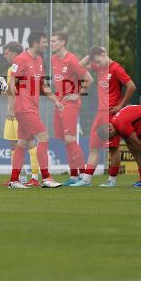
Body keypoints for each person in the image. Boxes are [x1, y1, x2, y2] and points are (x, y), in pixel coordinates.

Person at [7, 31, 63, 189]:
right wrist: (11, 107)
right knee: (44, 137)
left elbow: (42, 85)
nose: (46, 45)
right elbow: (12, 83)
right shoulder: (21, 59)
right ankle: (46, 178)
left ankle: (14, 180)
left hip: (32, 108)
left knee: (22, 143)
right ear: (35, 43)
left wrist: (55, 100)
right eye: (44, 42)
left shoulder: (39, 60)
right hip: (24, 108)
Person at [80, 46, 131, 187]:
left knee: (113, 148)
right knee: (93, 147)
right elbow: (80, 65)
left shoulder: (116, 68)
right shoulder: (100, 67)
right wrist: (90, 54)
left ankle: (112, 180)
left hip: (111, 114)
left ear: (104, 54)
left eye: (98, 60)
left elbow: (131, 86)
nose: (97, 63)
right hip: (99, 113)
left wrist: (121, 105)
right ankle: (86, 180)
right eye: (94, 61)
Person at [48, 33, 94, 186]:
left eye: (53, 41)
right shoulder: (53, 59)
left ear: (62, 43)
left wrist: (77, 95)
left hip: (70, 104)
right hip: (59, 103)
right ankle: (74, 176)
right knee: (66, 142)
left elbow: (89, 78)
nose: (51, 43)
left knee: (70, 139)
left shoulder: (72, 59)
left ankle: (85, 177)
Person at [1, 41, 40, 185]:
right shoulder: (11, 69)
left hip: (21, 110)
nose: (5, 56)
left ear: (15, 53)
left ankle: (35, 177)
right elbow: (11, 91)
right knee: (13, 144)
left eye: (7, 53)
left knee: (29, 142)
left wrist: (13, 107)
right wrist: (4, 88)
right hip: (11, 111)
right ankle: (19, 176)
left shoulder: (24, 66)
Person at [98, 105, 141, 187]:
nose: (113, 137)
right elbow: (132, 147)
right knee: (135, 152)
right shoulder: (117, 124)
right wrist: (138, 154)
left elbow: (136, 143)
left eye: (111, 136)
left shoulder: (121, 124)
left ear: (109, 129)